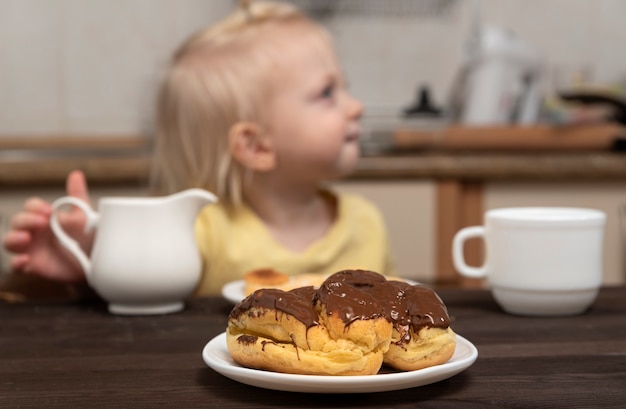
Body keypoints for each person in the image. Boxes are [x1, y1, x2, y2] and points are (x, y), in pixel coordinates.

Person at [2, 1, 394, 296]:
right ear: (256, 146)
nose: (355, 105)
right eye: (327, 93)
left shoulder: (368, 224)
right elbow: (135, 303)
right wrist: (86, 263)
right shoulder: (199, 233)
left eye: (344, 86)